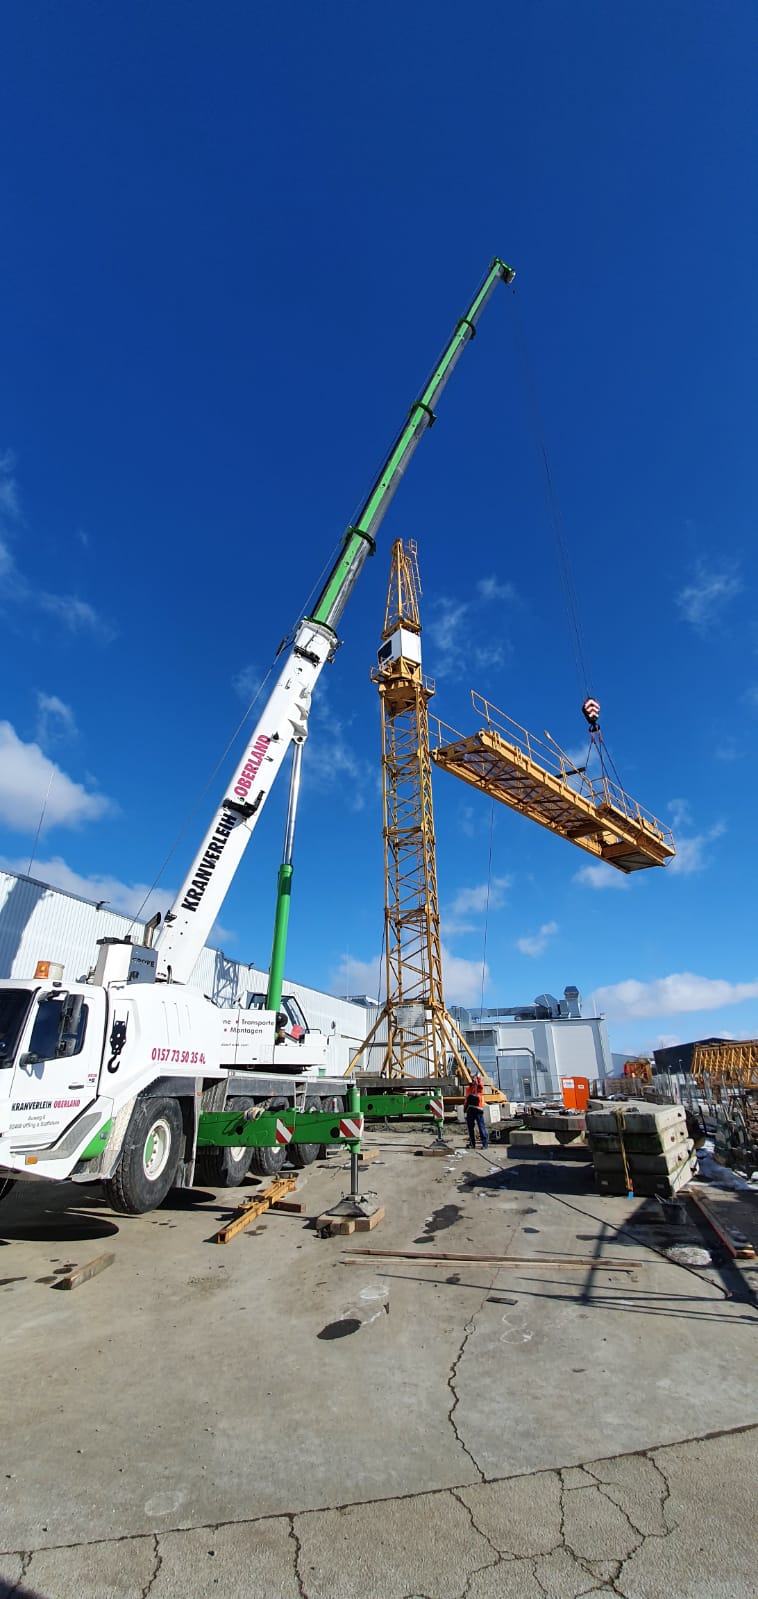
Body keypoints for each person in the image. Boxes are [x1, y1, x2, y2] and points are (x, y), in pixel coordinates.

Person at [464, 1073, 488, 1150]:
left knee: (481, 1127)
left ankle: (485, 1144)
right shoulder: (469, 1089)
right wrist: (465, 1109)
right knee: (471, 1128)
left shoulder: (478, 1087)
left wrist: (478, 1078)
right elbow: (466, 1100)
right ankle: (472, 1143)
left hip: (478, 1109)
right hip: (470, 1109)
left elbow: (481, 1085)